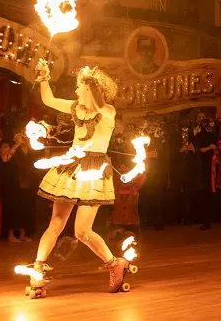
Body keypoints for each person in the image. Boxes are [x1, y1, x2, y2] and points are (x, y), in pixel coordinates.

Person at [31, 59, 131, 293]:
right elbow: (48, 99)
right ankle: (38, 269)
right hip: (72, 166)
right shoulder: (76, 108)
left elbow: (98, 103)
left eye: (79, 85)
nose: (76, 89)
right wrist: (44, 77)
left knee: (82, 232)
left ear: (90, 87)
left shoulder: (107, 112)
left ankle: (114, 264)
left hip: (94, 171)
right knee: (55, 223)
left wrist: (91, 79)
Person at [0, 132, 35, 243]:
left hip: (24, 182)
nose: (22, 137)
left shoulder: (27, 148)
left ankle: (23, 234)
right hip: (10, 182)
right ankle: (10, 235)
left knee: (24, 208)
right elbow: (5, 158)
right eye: (19, 135)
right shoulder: (6, 145)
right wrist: (17, 144)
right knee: (11, 208)